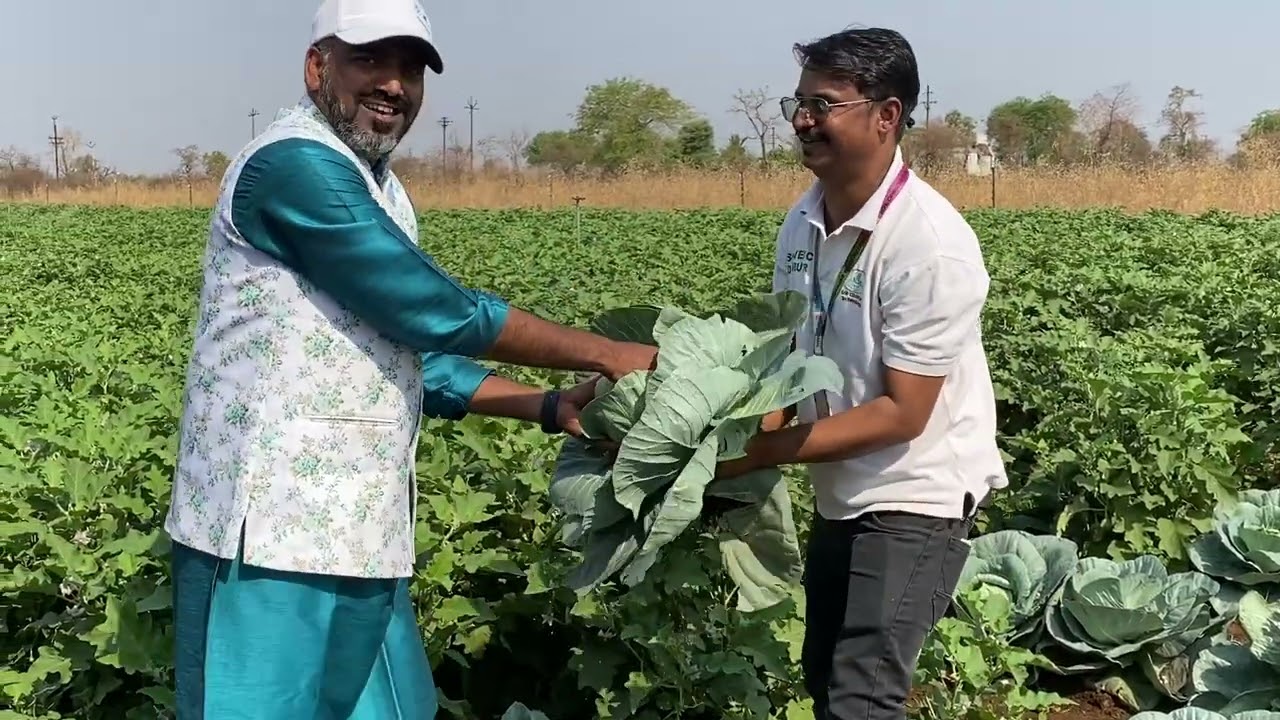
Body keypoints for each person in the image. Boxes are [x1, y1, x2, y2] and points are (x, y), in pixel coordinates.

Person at [163, 0, 656, 717]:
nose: (394, 84)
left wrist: (548, 406)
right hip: (263, 537)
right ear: (316, 67)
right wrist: (608, 353)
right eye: (369, 60)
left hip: (359, 532)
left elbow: (406, 355)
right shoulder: (291, 164)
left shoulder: (383, 188)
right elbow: (431, 308)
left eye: (411, 68)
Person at [715, 27, 1008, 720]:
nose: (804, 121)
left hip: (915, 494)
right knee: (825, 677)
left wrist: (753, 456)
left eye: (825, 103)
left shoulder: (929, 245)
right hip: (841, 487)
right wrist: (712, 442)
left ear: (887, 116)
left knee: (863, 697)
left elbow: (903, 413)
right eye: (799, 105)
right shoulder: (802, 221)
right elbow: (788, 361)